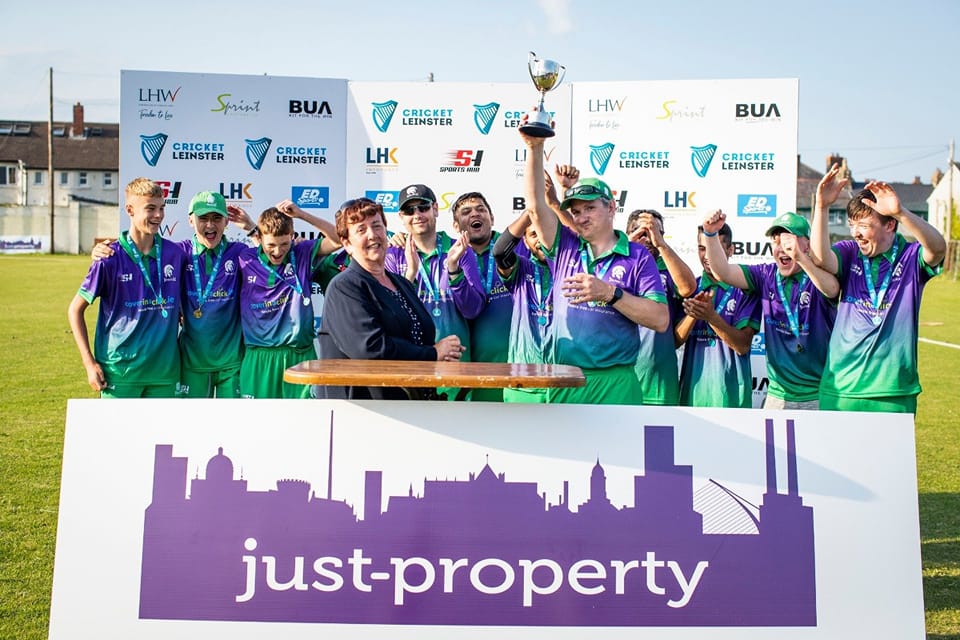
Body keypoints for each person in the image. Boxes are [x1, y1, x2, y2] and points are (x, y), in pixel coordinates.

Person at [521, 127, 669, 405]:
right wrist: (534, 147)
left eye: (590, 208)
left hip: (616, 381)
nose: (582, 217)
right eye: (575, 211)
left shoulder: (637, 256)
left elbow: (660, 320)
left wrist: (609, 293)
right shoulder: (564, 245)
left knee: (620, 451)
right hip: (566, 378)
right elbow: (534, 206)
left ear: (611, 208)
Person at [811, 164, 946, 413]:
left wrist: (900, 212)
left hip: (893, 391)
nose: (855, 233)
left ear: (889, 226)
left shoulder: (910, 256)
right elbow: (821, 258)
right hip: (841, 387)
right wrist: (821, 207)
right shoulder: (850, 252)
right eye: (852, 225)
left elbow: (938, 249)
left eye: (863, 225)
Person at [316, 198, 465, 400]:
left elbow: (418, 336)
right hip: (363, 412)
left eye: (377, 226)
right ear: (347, 243)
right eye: (361, 230)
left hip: (408, 405)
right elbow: (371, 348)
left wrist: (446, 351)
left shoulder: (400, 283)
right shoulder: (344, 286)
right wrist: (433, 354)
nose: (372, 235)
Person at [702, 210, 839, 410]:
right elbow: (723, 272)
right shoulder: (765, 274)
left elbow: (831, 289)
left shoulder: (818, 276)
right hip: (777, 395)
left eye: (788, 241)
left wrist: (801, 258)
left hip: (817, 394)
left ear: (807, 245)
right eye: (776, 242)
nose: (782, 248)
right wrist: (711, 235)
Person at [67, 177, 185, 398]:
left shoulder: (175, 254)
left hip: (165, 373)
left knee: (163, 434)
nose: (158, 215)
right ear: (130, 210)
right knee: (119, 435)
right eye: (150, 208)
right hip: (120, 372)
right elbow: (75, 310)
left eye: (161, 208)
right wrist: (89, 363)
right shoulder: (109, 257)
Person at [384, 183, 485, 400]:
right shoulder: (393, 255)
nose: (417, 214)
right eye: (409, 211)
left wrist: (453, 269)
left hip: (456, 363)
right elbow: (391, 317)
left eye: (423, 207)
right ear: (401, 217)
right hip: (414, 365)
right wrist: (409, 277)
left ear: (436, 209)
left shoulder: (460, 250)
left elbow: (473, 310)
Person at [237, 202, 336, 399]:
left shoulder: (302, 253)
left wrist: (301, 214)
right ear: (260, 239)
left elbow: (339, 238)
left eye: (284, 244)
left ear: (292, 236)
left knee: (304, 424)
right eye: (271, 245)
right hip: (260, 357)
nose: (277, 251)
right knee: (258, 425)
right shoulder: (245, 258)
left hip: (299, 355)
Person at [676, 223, 762, 408]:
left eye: (714, 249)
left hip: (732, 400)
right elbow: (675, 341)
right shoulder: (689, 288)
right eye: (701, 248)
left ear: (730, 250)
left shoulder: (745, 290)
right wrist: (694, 313)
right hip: (692, 398)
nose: (707, 256)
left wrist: (711, 317)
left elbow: (742, 346)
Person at [625, 209, 697, 405]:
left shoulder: (668, 268)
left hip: (660, 384)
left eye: (656, 232)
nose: (649, 239)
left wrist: (661, 244)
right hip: (621, 381)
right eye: (643, 232)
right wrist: (626, 247)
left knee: (660, 436)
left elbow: (688, 288)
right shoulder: (615, 265)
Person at [450, 191, 511, 401]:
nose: (475, 214)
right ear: (456, 227)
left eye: (481, 209)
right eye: (466, 212)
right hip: (468, 375)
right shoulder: (450, 256)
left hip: (515, 369)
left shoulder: (516, 246)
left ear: (492, 218)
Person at [493, 209, 554, 403]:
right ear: (526, 242)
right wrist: (533, 209)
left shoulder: (572, 267)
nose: (540, 239)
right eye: (533, 234)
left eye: (544, 231)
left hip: (563, 382)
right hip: (522, 383)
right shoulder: (522, 268)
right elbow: (501, 251)